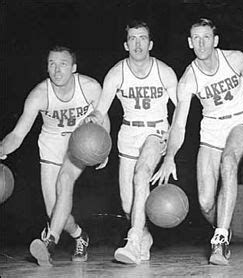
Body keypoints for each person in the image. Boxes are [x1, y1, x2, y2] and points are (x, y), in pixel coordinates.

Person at [151, 18, 243, 265]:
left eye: (206, 37)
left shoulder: (235, 59)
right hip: (211, 129)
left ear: (215, 40)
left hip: (240, 120)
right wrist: (169, 157)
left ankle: (219, 239)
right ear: (190, 42)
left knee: (229, 162)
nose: (201, 43)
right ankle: (223, 227)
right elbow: (179, 123)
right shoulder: (189, 78)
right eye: (196, 38)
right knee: (206, 203)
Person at [0, 46, 109, 266]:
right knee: (54, 213)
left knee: (65, 181)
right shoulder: (39, 94)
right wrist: (2, 147)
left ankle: (49, 242)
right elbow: (18, 134)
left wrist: (103, 147)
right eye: (52, 63)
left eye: (63, 64)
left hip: (79, 144)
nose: (57, 70)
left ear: (74, 68)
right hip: (51, 146)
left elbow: (103, 119)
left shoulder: (90, 87)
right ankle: (80, 236)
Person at [85, 20, 178, 264]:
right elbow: (101, 110)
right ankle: (145, 236)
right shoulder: (117, 73)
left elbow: (183, 110)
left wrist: (173, 148)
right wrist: (91, 121)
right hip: (128, 134)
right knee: (128, 205)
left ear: (151, 43)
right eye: (133, 39)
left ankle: (133, 239)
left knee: (142, 174)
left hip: (156, 131)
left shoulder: (164, 71)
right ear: (126, 45)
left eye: (143, 38)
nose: (138, 43)